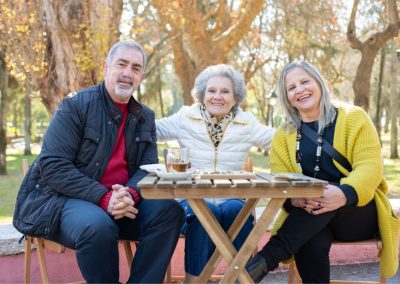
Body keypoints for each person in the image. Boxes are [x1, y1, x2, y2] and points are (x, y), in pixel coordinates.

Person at [13, 40, 185, 283]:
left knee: (170, 212)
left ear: (142, 77)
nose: (128, 73)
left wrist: (129, 195)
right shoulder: (75, 106)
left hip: (120, 203)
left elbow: (147, 169)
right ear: (106, 67)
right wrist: (105, 198)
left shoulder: (144, 117)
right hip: (65, 202)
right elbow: (53, 166)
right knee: (98, 226)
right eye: (122, 64)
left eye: (136, 68)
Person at [245, 60, 400, 283]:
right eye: (291, 87)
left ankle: (264, 260)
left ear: (319, 83)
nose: (300, 89)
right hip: (310, 215)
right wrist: (297, 201)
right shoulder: (284, 134)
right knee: (312, 240)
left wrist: (343, 193)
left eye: (305, 81)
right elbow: (280, 180)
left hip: (356, 212)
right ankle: (259, 266)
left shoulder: (354, 117)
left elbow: (370, 167)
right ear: (286, 96)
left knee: (320, 203)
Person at [156, 64, 275, 281]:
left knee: (235, 210)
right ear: (202, 94)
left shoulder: (247, 123)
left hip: (232, 197)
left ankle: (242, 279)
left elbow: (280, 141)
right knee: (204, 212)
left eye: (225, 91)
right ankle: (195, 281)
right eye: (211, 91)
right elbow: (151, 130)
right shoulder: (185, 118)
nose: (217, 97)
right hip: (189, 201)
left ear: (235, 96)